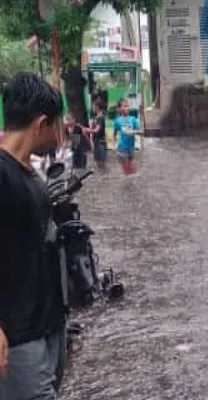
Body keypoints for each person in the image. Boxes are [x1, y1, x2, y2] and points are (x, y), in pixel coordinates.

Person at [0, 73, 67, 400]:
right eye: (58, 125)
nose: (60, 133)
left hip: (47, 323)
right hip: (17, 334)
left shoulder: (29, 171)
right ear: (42, 124)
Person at [114, 98, 140, 175]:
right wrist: (115, 142)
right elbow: (115, 132)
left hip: (131, 149)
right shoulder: (118, 120)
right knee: (128, 175)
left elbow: (139, 131)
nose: (127, 108)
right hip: (122, 150)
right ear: (119, 109)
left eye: (127, 106)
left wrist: (133, 132)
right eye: (124, 106)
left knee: (135, 174)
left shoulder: (133, 119)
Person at [82, 99, 107, 170]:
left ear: (97, 107)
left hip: (100, 142)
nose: (92, 108)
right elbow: (92, 130)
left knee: (102, 164)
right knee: (98, 164)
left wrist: (86, 129)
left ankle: (104, 178)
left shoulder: (101, 118)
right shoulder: (96, 118)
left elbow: (96, 130)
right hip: (96, 142)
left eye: (93, 106)